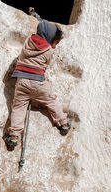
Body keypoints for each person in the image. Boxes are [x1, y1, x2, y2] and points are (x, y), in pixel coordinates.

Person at [4, 10, 70, 150]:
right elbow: (45, 64)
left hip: (21, 82)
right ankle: (63, 123)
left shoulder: (28, 41)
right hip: (38, 82)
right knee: (51, 100)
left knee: (18, 107)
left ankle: (14, 135)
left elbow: (42, 27)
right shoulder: (49, 51)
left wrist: (36, 17)